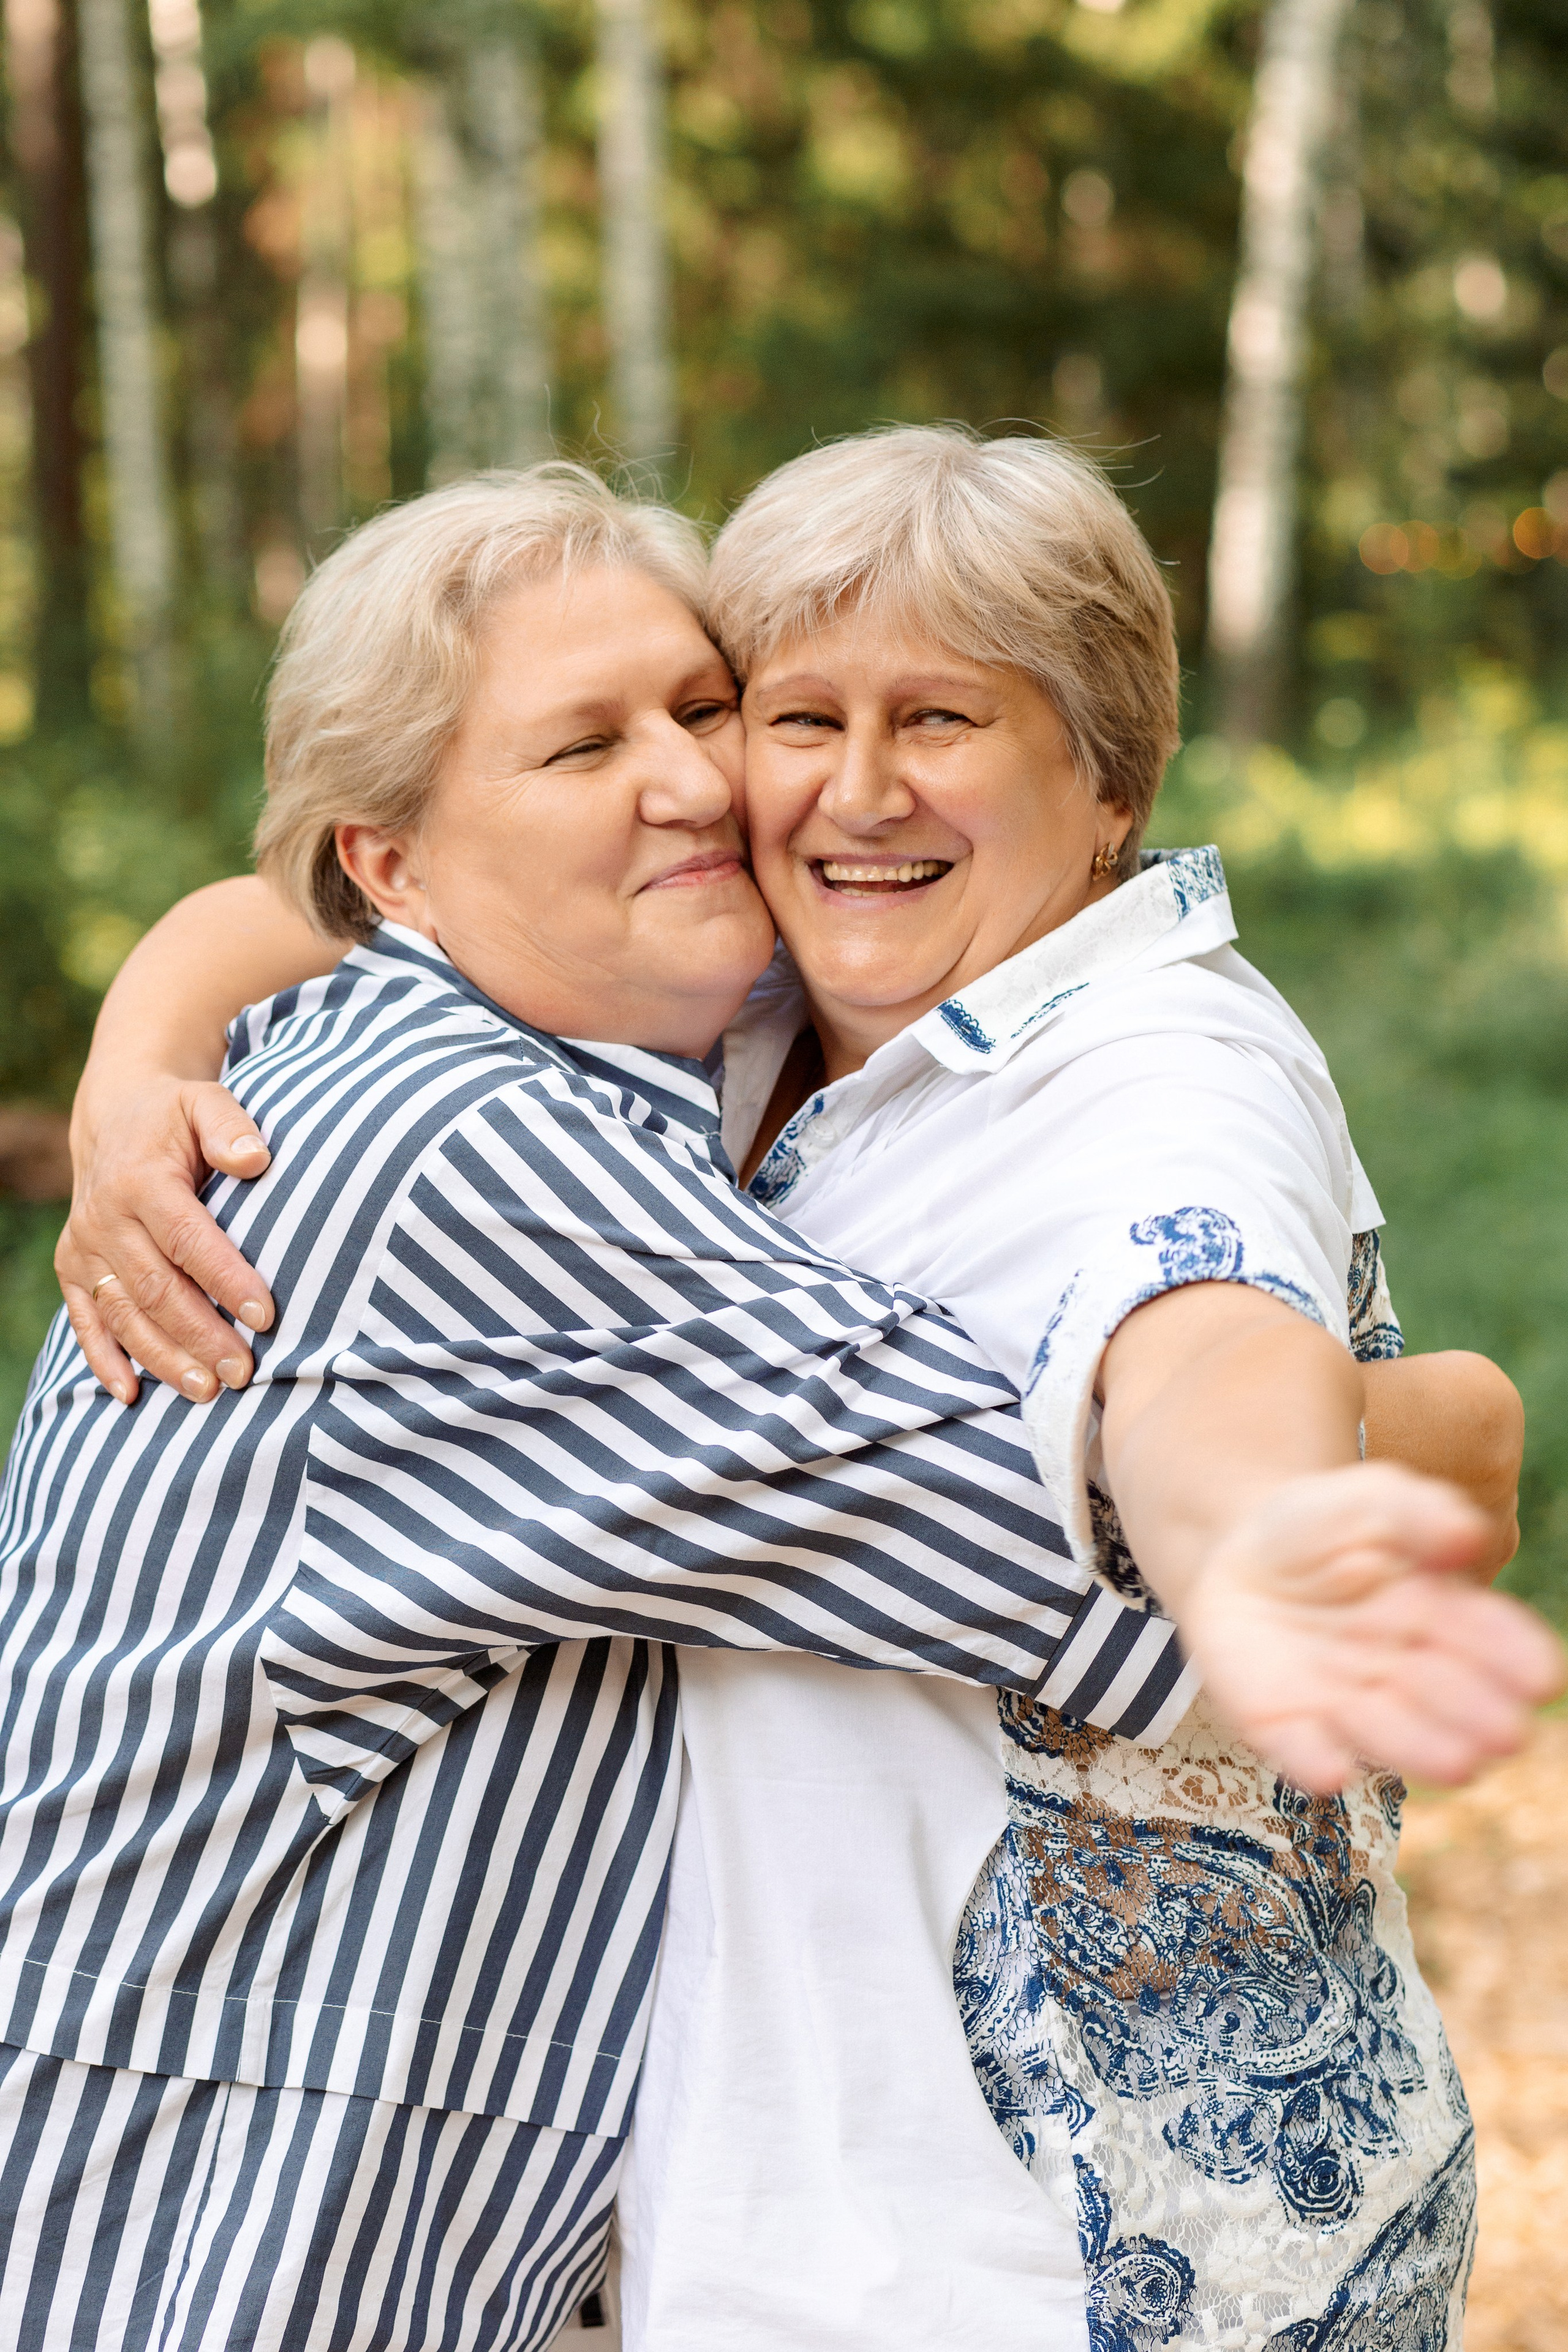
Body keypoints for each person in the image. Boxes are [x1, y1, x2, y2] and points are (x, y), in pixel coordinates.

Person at [56, 450, 1555, 2346]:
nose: (758, 787)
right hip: (443, 2216)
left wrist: (1282, 1492)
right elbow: (1026, 1514)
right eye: (773, 720)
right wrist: (1454, 1424)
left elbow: (1192, 1331)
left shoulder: (1092, 1060)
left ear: (1112, 783)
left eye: (706, 712)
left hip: (1068, 2257)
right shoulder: (616, 1080)